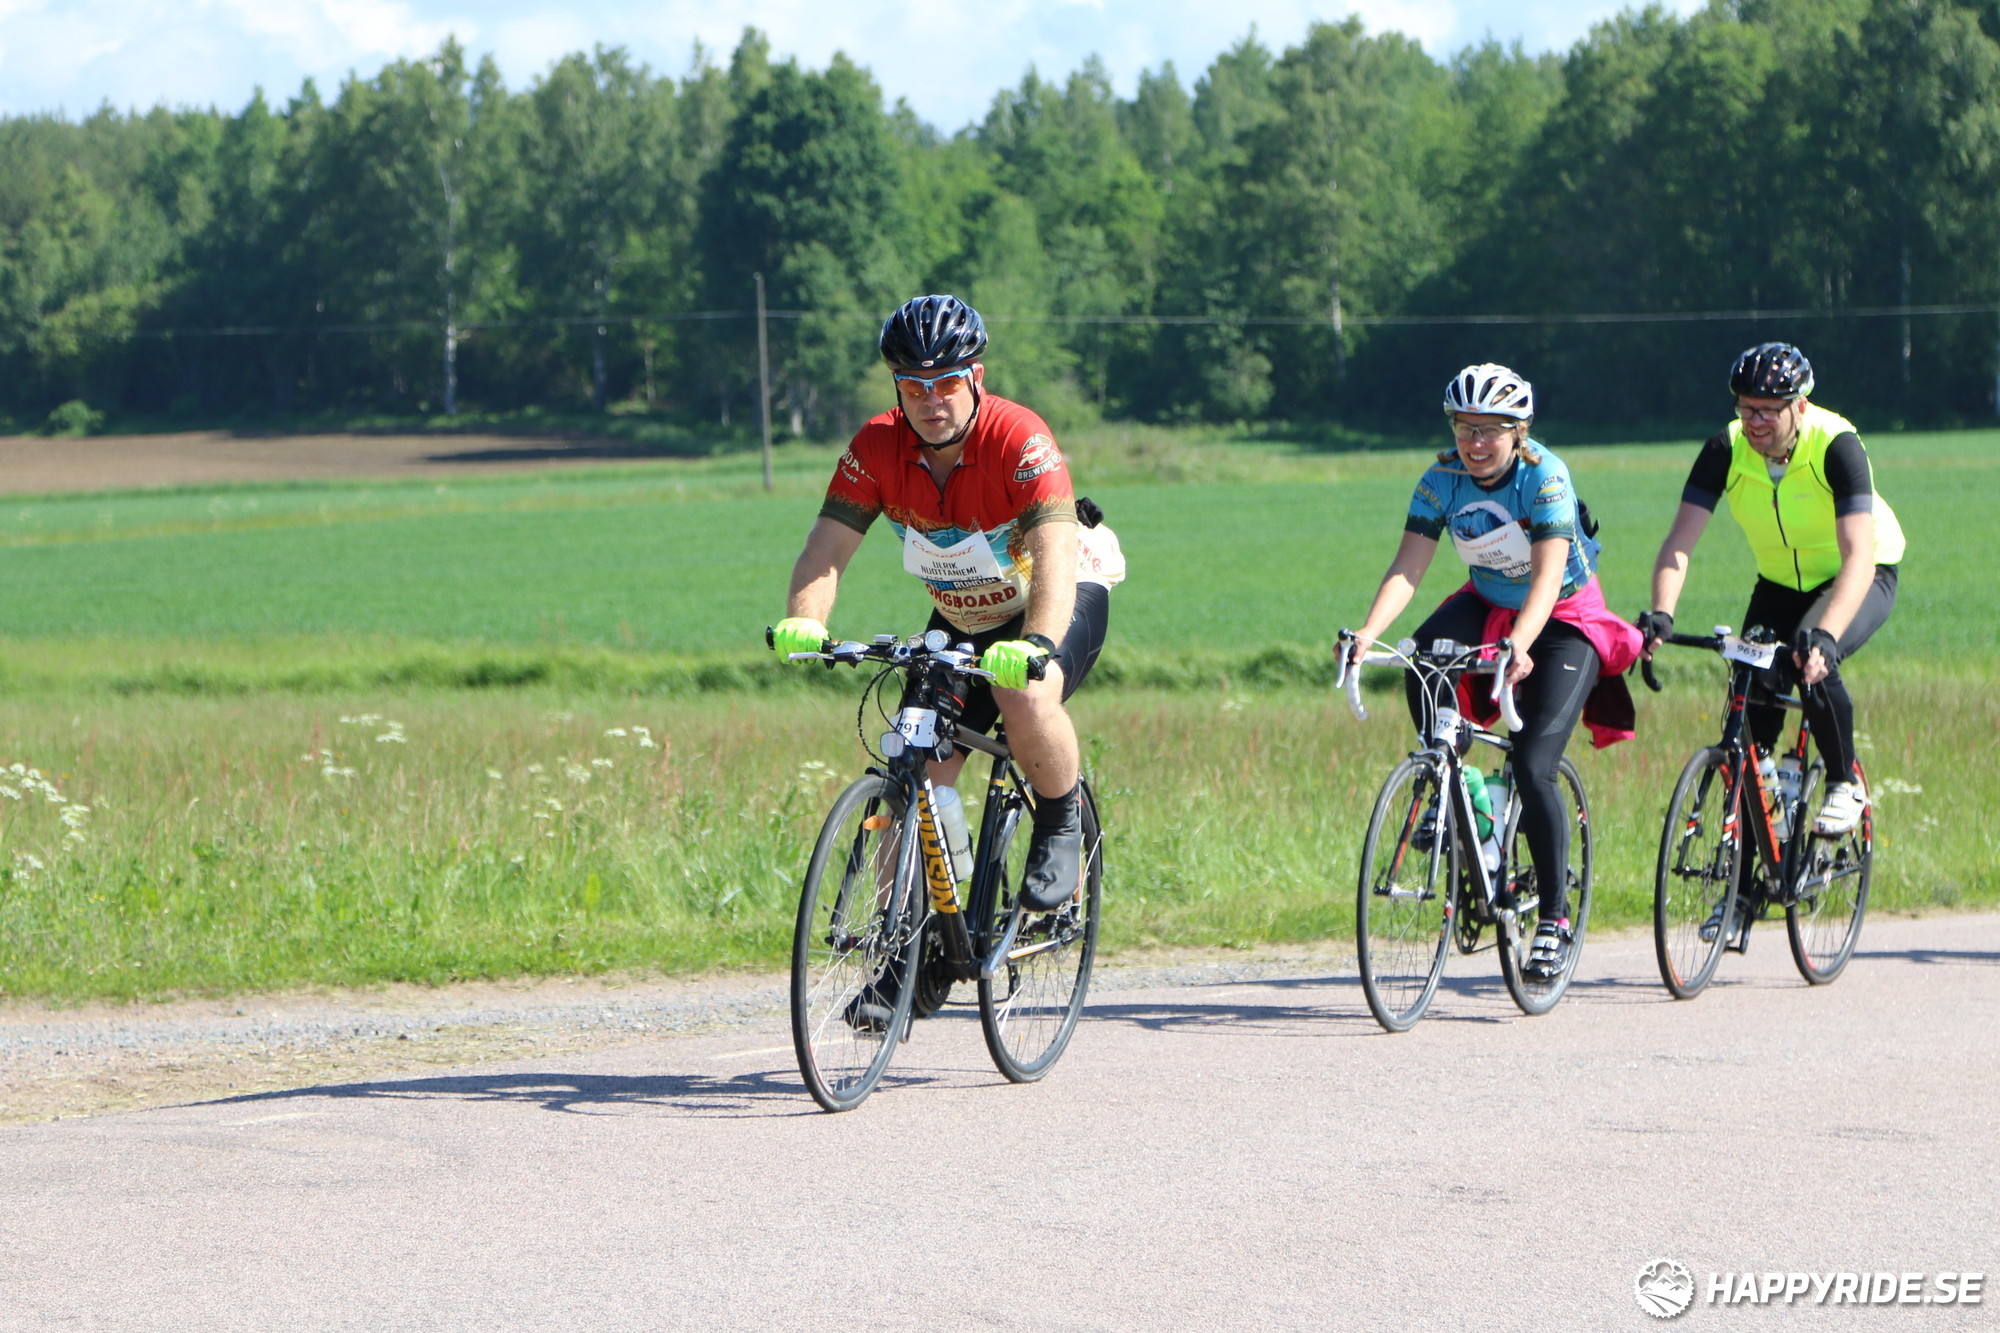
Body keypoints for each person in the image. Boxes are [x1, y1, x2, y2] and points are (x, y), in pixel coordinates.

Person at [771, 293, 1124, 962]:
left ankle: (1059, 822)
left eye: (947, 382)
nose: (931, 399)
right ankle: (905, 955)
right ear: (896, 388)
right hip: (965, 611)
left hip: (1058, 592)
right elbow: (826, 547)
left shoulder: (1020, 439)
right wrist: (805, 621)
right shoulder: (876, 447)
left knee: (1023, 693)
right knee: (913, 767)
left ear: (975, 378)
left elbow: (1054, 555)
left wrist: (1037, 644)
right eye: (913, 386)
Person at [1347, 363, 1640, 980]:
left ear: (1518, 431)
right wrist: (1368, 633)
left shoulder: (1545, 477)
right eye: (1464, 427)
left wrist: (1520, 644)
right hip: (1487, 602)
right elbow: (1408, 568)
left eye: (1490, 430)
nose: (1475, 442)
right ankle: (1458, 790)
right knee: (1422, 662)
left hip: (1562, 617)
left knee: (1534, 764)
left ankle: (1554, 919)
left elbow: (1547, 578)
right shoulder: (1441, 479)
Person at [1638, 342, 1903, 848]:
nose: (1754, 421)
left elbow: (1859, 557)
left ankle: (1843, 783)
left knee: (1810, 655)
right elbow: (1679, 543)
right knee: (1750, 690)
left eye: (1767, 410)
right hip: (1780, 583)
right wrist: (1662, 614)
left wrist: (1825, 637)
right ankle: (1753, 857)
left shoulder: (1836, 445)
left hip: (1860, 573)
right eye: (1745, 408)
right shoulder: (1726, 449)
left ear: (1799, 405)